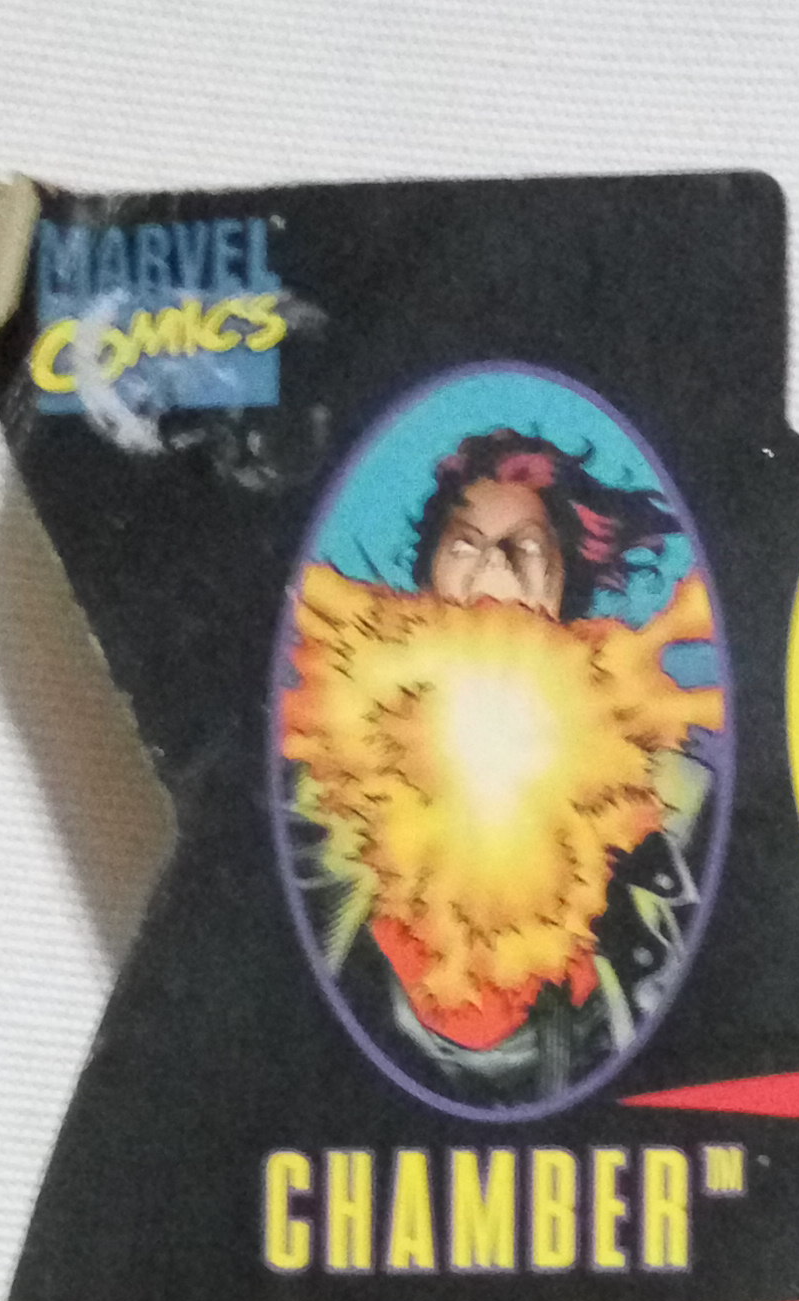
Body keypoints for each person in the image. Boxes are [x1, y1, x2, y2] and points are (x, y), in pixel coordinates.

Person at [283, 424, 720, 1107]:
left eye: (526, 550)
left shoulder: (667, 797)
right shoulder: (319, 780)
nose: (492, 570)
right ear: (428, 578)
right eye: (466, 545)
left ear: (565, 591)